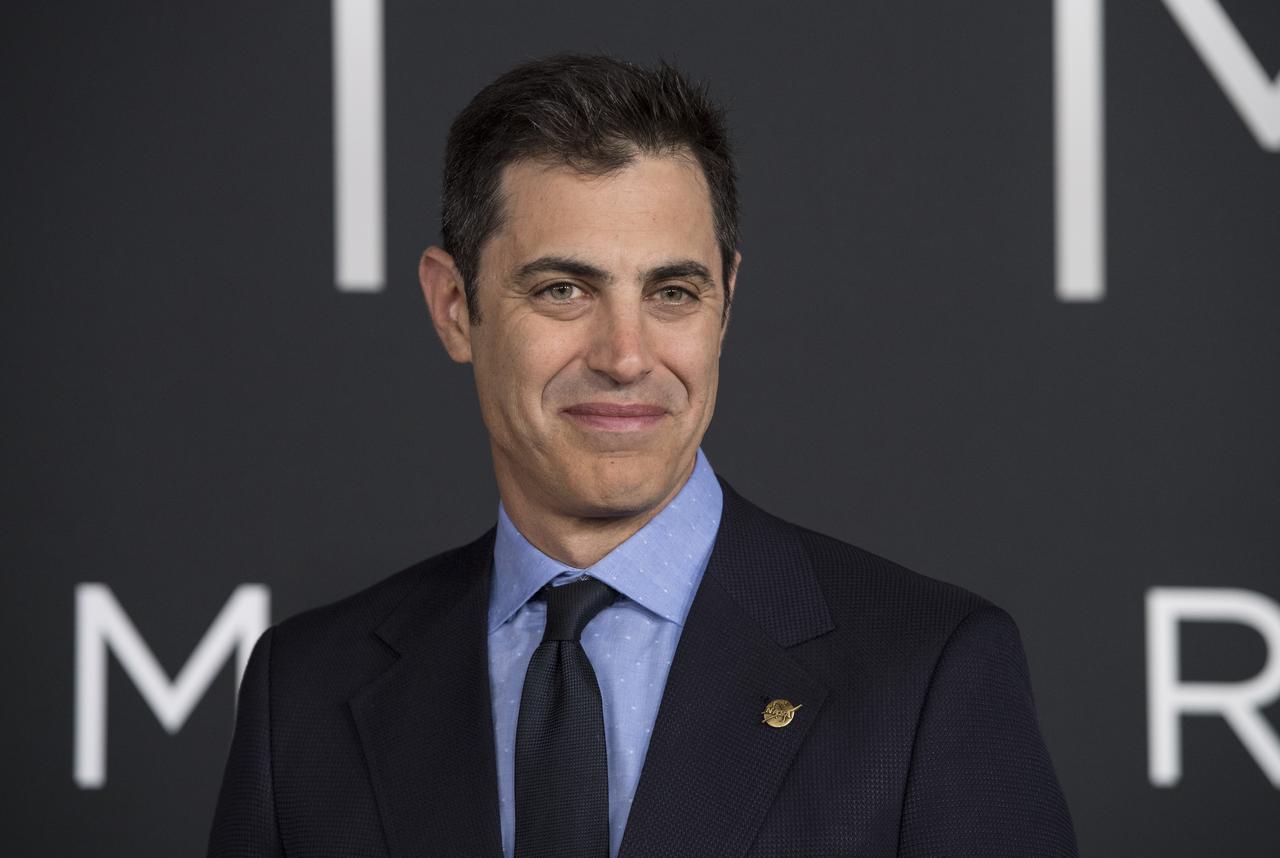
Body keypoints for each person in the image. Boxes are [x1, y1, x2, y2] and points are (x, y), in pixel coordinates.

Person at [208, 54, 1078, 857]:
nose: (625, 355)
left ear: (725, 303)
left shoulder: (928, 673)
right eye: (562, 289)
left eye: (671, 292)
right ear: (451, 305)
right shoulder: (306, 696)